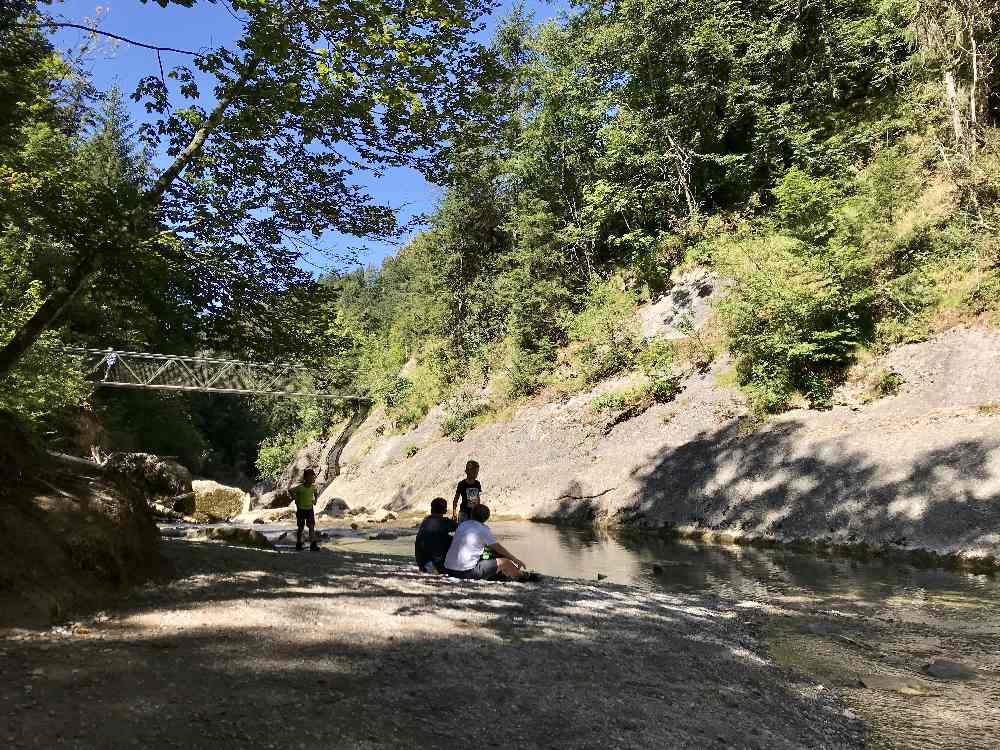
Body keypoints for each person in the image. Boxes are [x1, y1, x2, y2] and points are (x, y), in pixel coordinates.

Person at [444, 504, 529, 581]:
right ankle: (522, 576)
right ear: (486, 518)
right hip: (466, 572)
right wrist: (514, 559)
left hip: (448, 569)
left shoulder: (462, 525)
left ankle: (504, 574)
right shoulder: (483, 529)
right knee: (505, 562)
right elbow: (498, 548)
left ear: (472, 514)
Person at [414, 497, 457, 573]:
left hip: (421, 560)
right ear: (445, 510)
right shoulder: (445, 522)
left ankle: (430, 566)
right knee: (454, 540)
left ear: (431, 509)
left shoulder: (426, 521)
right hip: (437, 561)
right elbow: (461, 529)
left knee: (444, 538)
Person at [292, 468, 319, 551]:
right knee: (301, 528)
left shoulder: (313, 487)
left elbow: (315, 493)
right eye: (311, 477)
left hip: (310, 509)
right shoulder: (300, 488)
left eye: (313, 477)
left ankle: (313, 545)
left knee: (311, 527)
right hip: (301, 510)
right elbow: (291, 491)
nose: (313, 478)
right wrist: (296, 499)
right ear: (306, 477)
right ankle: (298, 544)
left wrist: (315, 501)